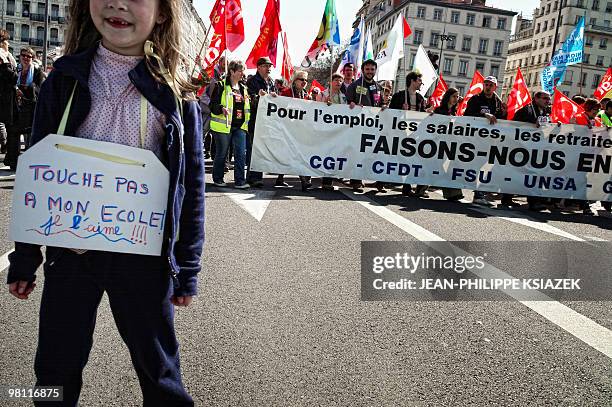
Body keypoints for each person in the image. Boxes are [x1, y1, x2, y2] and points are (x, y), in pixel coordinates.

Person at [6, 0, 205, 404]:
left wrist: (187, 266)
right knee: (54, 369)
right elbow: (38, 177)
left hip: (143, 260)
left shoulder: (175, 95)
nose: (118, 4)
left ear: (162, 13)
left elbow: (191, 188)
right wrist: (25, 257)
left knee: (161, 372)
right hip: (71, 251)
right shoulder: (62, 80)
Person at [463, 75, 507, 207]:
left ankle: (479, 194)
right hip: (475, 139)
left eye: (490, 85)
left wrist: (505, 112)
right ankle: (474, 193)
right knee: (474, 166)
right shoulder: (475, 99)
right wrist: (484, 115)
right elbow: (467, 116)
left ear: (495, 87)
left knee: (485, 167)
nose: (487, 87)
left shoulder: (498, 101)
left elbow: (500, 120)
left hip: (490, 140)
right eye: (486, 84)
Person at [210, 60, 250, 189]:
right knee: (222, 153)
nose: (242, 74)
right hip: (223, 126)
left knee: (240, 154)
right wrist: (221, 108)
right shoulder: (220, 85)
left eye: (243, 70)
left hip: (240, 127)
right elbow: (212, 105)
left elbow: (247, 106)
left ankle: (240, 181)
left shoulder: (244, 88)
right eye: (240, 71)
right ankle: (218, 178)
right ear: (232, 71)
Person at [346, 59, 385, 192]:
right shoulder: (354, 85)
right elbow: (347, 103)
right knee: (357, 153)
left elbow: (381, 104)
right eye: (367, 69)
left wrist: (384, 107)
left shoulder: (378, 87)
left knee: (368, 153)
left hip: (373, 126)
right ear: (363, 70)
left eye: (372, 69)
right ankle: (355, 181)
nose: (370, 72)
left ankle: (362, 177)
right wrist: (353, 105)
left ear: (375, 71)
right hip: (358, 125)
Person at [4, 47, 45, 170]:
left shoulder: (37, 71)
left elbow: (40, 89)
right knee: (13, 134)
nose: (26, 58)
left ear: (33, 58)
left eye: (29, 56)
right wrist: (15, 89)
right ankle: (13, 162)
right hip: (16, 106)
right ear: (20, 57)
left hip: (30, 107)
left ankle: (30, 162)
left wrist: (28, 88)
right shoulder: (16, 69)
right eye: (24, 55)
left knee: (30, 135)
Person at [390, 71, 428, 197]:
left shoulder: (420, 98)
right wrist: (401, 111)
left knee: (411, 159)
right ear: (412, 81)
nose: (421, 83)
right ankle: (403, 185)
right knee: (402, 159)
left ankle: (407, 185)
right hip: (401, 132)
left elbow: (422, 114)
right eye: (419, 80)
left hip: (414, 134)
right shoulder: (399, 96)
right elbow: (391, 113)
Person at [512, 90, 552, 211]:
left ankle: (534, 200)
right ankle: (532, 202)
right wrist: (530, 124)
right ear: (536, 98)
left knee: (533, 174)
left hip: (536, 148)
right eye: (545, 98)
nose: (548, 101)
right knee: (519, 172)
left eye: (548, 99)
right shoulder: (527, 110)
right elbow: (514, 125)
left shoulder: (546, 111)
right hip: (522, 146)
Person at [246, 56, 277, 187]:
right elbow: (249, 98)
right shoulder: (252, 81)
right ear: (258, 67)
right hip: (254, 119)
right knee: (253, 148)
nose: (268, 68)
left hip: (266, 120)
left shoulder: (271, 82)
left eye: (270, 66)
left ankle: (258, 175)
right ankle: (253, 177)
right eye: (265, 66)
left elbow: (274, 98)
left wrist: (275, 96)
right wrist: (258, 96)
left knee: (262, 148)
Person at [281, 70, 314, 191]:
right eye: (302, 79)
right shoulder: (286, 93)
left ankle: (305, 179)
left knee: (300, 153)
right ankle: (282, 177)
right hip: (287, 128)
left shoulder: (306, 95)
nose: (304, 82)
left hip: (300, 130)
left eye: (306, 80)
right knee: (287, 153)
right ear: (295, 81)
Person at [433, 88, 464, 201]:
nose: (456, 98)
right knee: (435, 167)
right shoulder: (439, 111)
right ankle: (419, 190)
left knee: (451, 167)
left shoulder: (455, 112)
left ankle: (454, 192)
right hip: (438, 143)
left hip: (450, 143)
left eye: (457, 96)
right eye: (454, 96)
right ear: (448, 97)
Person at [319, 73, 347, 190]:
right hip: (324, 129)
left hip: (337, 130)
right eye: (336, 80)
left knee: (332, 154)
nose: (338, 83)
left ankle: (328, 180)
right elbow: (316, 109)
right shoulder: (322, 94)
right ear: (331, 82)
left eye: (340, 81)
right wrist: (324, 103)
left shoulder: (344, 97)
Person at [0, 29, 17, 155]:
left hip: (8, 96)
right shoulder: (2, 57)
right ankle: (6, 145)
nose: (8, 44)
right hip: (4, 97)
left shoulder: (6, 56)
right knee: (8, 125)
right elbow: (10, 76)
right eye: (6, 41)